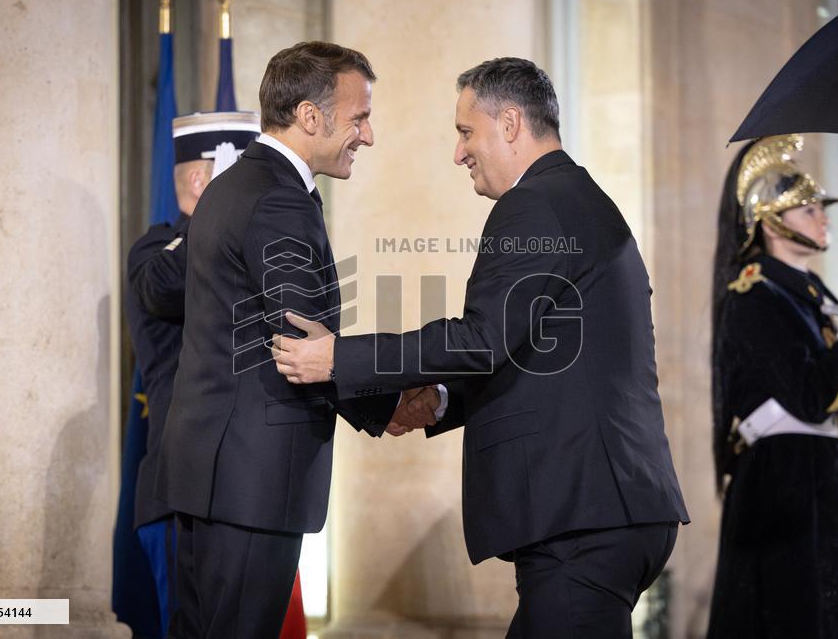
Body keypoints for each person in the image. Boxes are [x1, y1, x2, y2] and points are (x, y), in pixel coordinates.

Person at [273, 57, 689, 637]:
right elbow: (539, 350)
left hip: (579, 516)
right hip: (602, 509)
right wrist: (440, 400)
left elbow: (483, 339)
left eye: (466, 132)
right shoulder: (578, 199)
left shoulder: (536, 204)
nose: (458, 152)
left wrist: (338, 357)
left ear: (511, 123)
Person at [153, 42, 438, 638]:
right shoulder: (280, 199)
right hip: (251, 481)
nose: (368, 135)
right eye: (359, 117)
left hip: (209, 472)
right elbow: (303, 342)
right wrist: (387, 405)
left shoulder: (234, 187)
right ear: (311, 116)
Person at [707, 135, 838, 638]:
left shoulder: (807, 296)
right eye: (807, 210)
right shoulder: (754, 295)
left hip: (819, 479)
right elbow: (812, 397)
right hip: (784, 490)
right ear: (769, 220)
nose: (823, 218)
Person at [126, 111, 259, 636]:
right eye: (238, 173)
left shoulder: (242, 250)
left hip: (241, 488)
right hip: (179, 488)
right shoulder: (156, 249)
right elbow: (162, 287)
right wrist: (216, 215)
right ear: (203, 181)